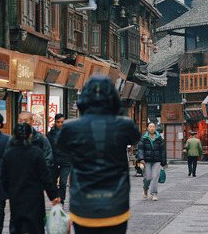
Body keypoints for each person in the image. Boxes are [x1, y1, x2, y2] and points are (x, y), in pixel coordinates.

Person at [56, 75, 141, 233]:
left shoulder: (70, 128)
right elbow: (135, 138)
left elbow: (61, 147)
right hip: (116, 205)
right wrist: (118, 109)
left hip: (83, 206)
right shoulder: (124, 126)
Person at [2, 123, 60, 234]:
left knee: (17, 227)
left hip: (16, 196)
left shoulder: (8, 154)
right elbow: (45, 177)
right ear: (30, 136)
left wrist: (10, 192)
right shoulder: (36, 153)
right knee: (36, 228)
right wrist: (53, 196)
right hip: (34, 198)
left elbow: (4, 178)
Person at [138, 122, 167, 201]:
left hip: (156, 161)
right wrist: (141, 159)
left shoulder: (159, 138)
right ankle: (145, 189)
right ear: (147, 128)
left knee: (155, 177)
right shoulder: (143, 138)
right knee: (147, 177)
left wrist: (163, 162)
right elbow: (140, 149)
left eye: (153, 127)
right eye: (150, 127)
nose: (152, 128)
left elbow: (163, 150)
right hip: (146, 161)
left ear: (155, 128)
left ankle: (154, 194)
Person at [46, 113, 70, 205]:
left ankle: (62, 200)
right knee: (53, 182)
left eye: (62, 122)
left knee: (63, 183)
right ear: (55, 122)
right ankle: (57, 197)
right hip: (54, 162)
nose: (60, 124)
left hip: (66, 162)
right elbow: (47, 148)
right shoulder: (50, 135)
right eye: (58, 122)